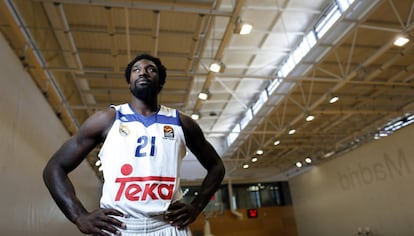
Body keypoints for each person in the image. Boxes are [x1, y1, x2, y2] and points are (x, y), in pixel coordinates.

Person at [43, 53, 226, 236]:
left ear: (161, 82)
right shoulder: (107, 119)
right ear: (129, 83)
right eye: (136, 70)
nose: (143, 73)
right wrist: (79, 216)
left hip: (168, 225)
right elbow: (54, 168)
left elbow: (216, 166)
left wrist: (196, 206)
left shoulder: (181, 123)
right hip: (118, 227)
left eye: (150, 70)